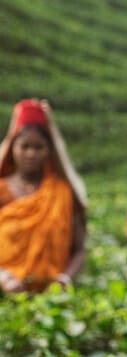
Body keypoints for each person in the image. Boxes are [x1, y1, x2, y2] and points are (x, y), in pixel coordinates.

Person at [0, 99, 87, 293]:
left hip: (51, 298)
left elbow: (80, 250)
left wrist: (64, 281)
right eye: (24, 146)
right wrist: (3, 278)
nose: (31, 154)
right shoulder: (2, 190)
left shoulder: (62, 192)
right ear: (13, 148)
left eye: (38, 147)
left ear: (49, 151)